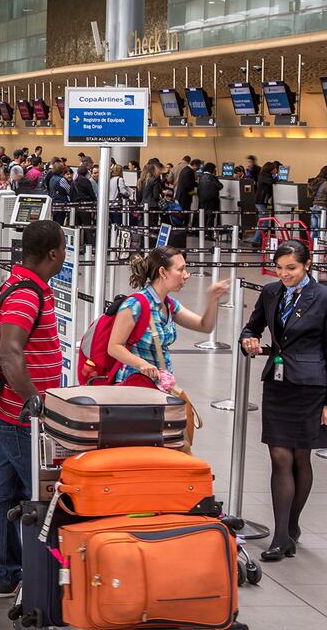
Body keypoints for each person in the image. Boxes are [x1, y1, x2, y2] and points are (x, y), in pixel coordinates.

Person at [0, 220, 67, 599]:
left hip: (14, 414)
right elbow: (9, 353)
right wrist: (35, 401)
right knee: (40, 495)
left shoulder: (29, 286)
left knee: (8, 490)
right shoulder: (25, 295)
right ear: (54, 253)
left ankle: (5, 574)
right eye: (64, 249)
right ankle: (41, 579)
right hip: (21, 417)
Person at [239, 241, 327, 562]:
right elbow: (252, 326)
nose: (284, 274)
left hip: (311, 386)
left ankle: (290, 527)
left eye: (291, 268)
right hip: (277, 383)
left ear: (306, 265)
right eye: (279, 268)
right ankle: (280, 535)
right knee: (279, 456)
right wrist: (248, 338)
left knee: (301, 458)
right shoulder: (272, 291)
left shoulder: (323, 297)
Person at [106, 246, 229, 387]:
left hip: (159, 386)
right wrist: (142, 364)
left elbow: (204, 326)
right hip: (133, 387)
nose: (186, 275)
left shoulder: (170, 305)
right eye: (181, 269)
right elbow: (114, 347)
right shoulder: (135, 304)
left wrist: (213, 299)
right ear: (163, 272)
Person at [255, 161, 277, 248]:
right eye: (275, 169)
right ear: (271, 169)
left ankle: (258, 239)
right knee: (264, 222)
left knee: (261, 221)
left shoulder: (262, 175)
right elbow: (271, 182)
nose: (276, 170)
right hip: (261, 201)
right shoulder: (265, 176)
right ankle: (256, 240)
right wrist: (275, 177)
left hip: (261, 201)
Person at [310, 166, 327, 241]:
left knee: (314, 229)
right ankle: (320, 247)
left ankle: (312, 246)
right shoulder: (326, 183)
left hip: (314, 206)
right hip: (322, 207)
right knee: (321, 229)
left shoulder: (316, 181)